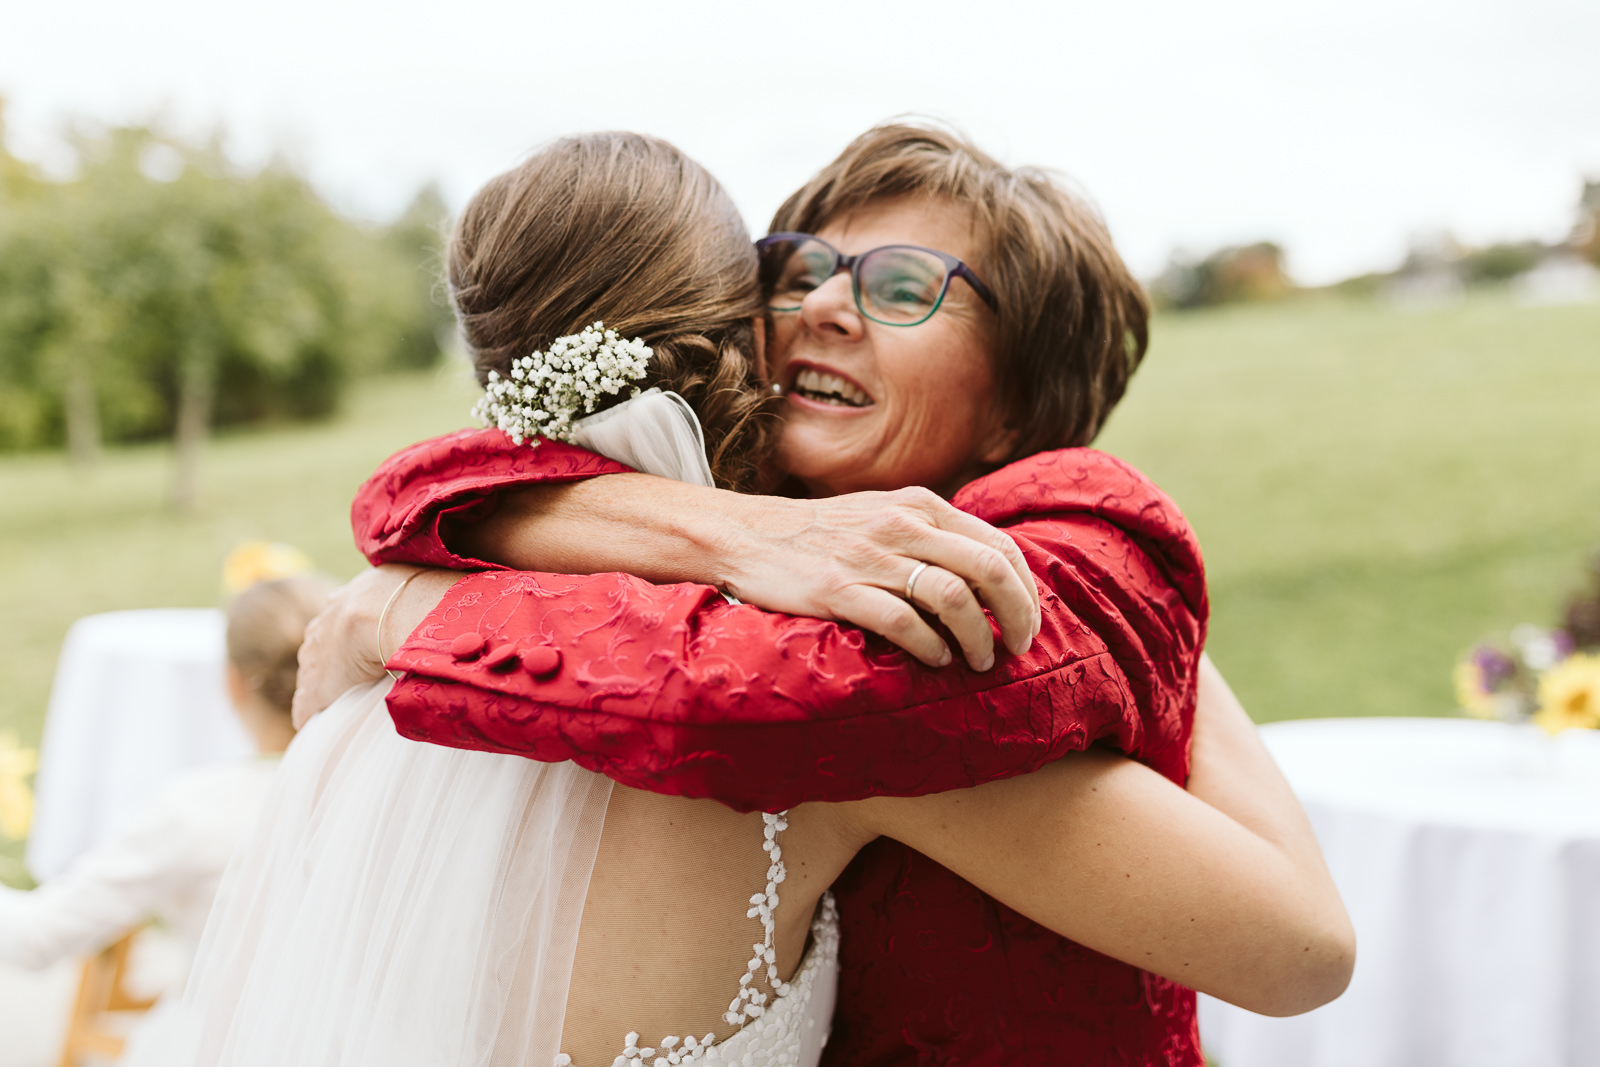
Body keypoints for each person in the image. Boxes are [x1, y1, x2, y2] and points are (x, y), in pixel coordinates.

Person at [294, 127, 1353, 1065]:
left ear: (1016, 400)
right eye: (799, 269)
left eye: (905, 287)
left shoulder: (1044, 548)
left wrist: (399, 615)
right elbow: (427, 485)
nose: (826, 306)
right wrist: (738, 528)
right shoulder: (762, 535)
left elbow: (1300, 947)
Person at [0, 574, 331, 1053]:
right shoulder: (393, 798)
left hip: (227, 1045)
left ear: (233, 682)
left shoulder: (198, 809)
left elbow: (37, 937)